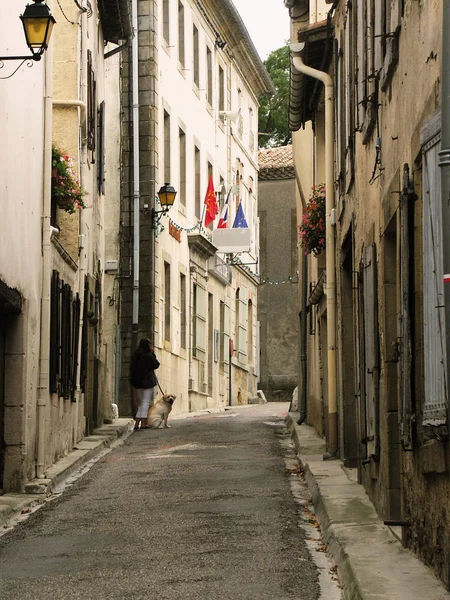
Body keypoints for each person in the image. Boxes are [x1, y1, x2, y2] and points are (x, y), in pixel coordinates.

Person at [129, 338, 160, 430]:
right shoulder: (148, 355)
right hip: (147, 382)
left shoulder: (135, 355)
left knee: (141, 403)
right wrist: (153, 353)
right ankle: (143, 423)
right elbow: (156, 365)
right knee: (145, 402)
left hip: (138, 382)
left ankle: (137, 423)